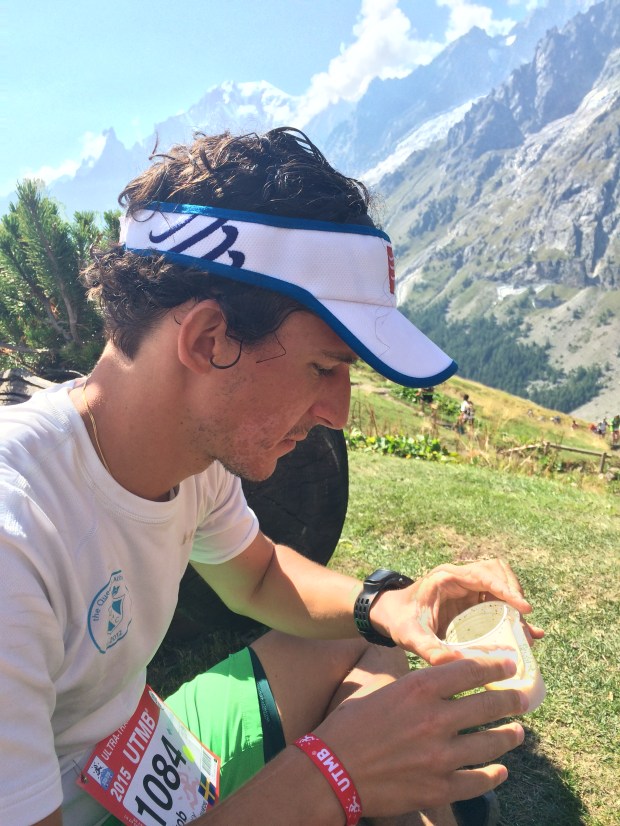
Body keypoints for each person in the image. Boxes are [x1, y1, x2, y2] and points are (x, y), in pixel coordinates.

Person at [0, 128, 542, 826]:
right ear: (207, 341)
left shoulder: (188, 456)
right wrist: (334, 777)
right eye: (324, 368)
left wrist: (388, 608)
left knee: (371, 640)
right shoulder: (15, 537)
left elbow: (256, 577)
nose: (339, 413)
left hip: (137, 757)